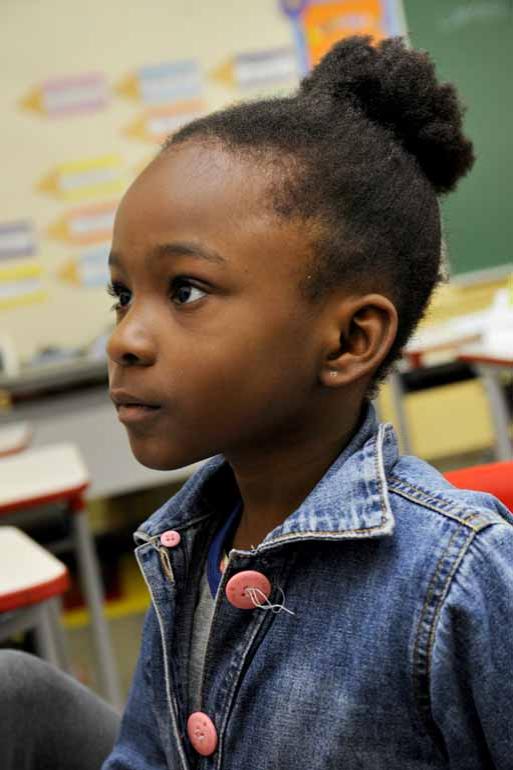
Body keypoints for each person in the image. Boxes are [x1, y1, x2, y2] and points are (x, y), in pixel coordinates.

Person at [1, 35, 512, 770]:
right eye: (122, 295)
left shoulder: (457, 579)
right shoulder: (185, 547)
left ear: (347, 341)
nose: (125, 340)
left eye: (184, 291)